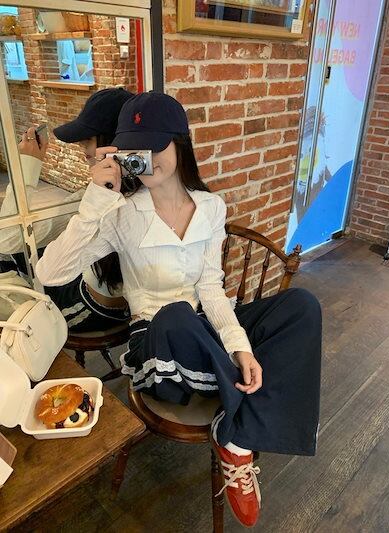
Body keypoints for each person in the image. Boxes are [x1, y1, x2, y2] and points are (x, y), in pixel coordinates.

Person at [35, 92, 322, 527]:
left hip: (201, 331)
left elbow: (210, 288)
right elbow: (50, 273)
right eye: (134, 149)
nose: (146, 159)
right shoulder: (120, 214)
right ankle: (245, 422)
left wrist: (240, 345)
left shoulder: (210, 207)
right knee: (175, 315)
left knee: (301, 305)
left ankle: (235, 432)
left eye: (155, 146)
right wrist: (95, 198)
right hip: (158, 342)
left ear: (179, 144)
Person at [0, 88, 133, 331]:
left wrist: (26, 167)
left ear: (112, 143)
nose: (83, 152)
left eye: (87, 141)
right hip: (112, 298)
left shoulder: (108, 199)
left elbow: (7, 239)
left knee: (5, 256)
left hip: (91, 308)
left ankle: (22, 334)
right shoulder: (139, 187)